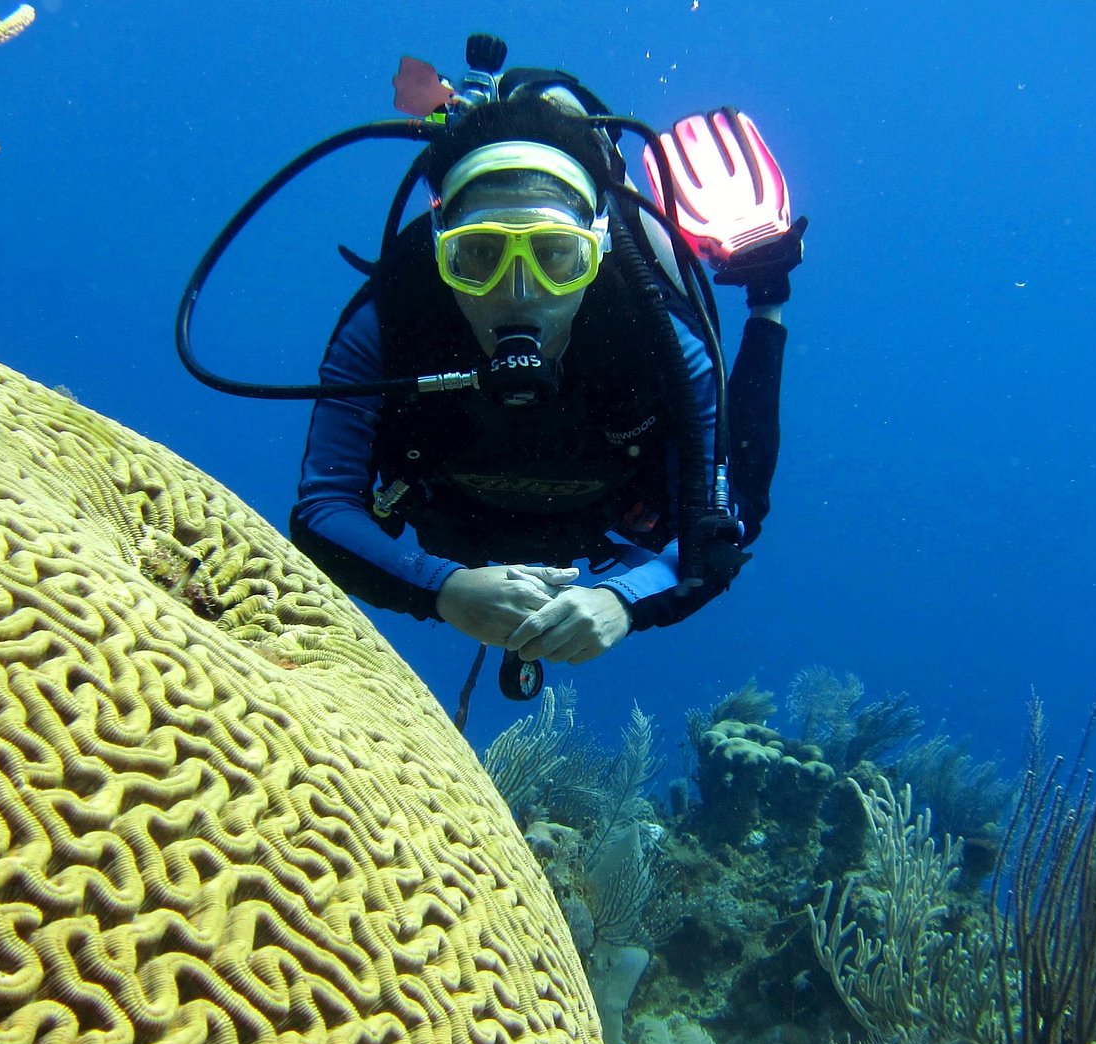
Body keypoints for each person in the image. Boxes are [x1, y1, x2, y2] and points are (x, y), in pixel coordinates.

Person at [288, 44, 804, 677]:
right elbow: (321, 508)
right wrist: (441, 588)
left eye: (557, 257)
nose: (519, 291)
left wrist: (624, 600)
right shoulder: (393, 316)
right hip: (451, 520)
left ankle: (764, 296)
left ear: (598, 251)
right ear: (440, 250)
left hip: (603, 519)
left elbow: (729, 517)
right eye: (478, 257)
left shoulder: (655, 333)